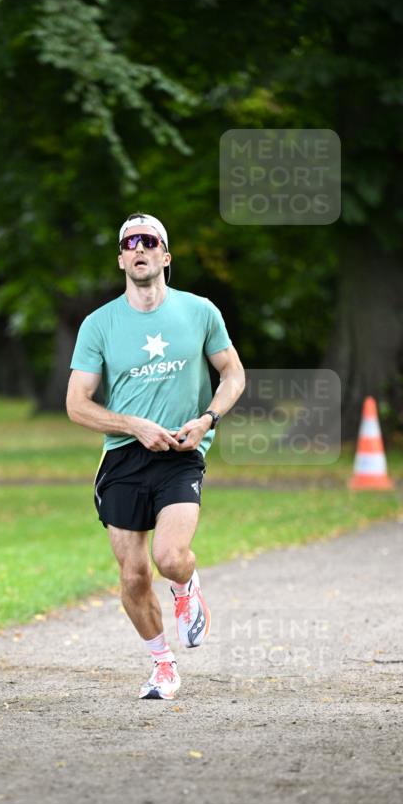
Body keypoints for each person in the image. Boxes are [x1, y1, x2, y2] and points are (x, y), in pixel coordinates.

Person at [66, 213, 245, 700]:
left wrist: (208, 419)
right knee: (133, 573)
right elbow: (77, 404)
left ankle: (187, 590)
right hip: (124, 458)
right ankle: (162, 666)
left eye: (150, 241)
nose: (139, 249)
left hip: (182, 453)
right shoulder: (98, 324)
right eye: (130, 243)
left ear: (166, 256)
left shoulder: (199, 311)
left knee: (169, 557)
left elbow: (233, 374)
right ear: (122, 258)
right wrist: (133, 425)